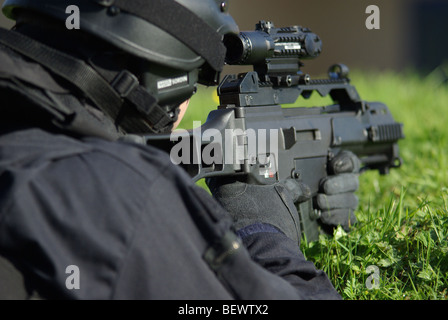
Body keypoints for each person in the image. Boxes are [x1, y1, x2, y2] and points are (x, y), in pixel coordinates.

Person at [0, 0, 359, 299]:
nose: (186, 107)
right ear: (160, 73)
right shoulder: (130, 193)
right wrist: (263, 233)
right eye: (195, 79)